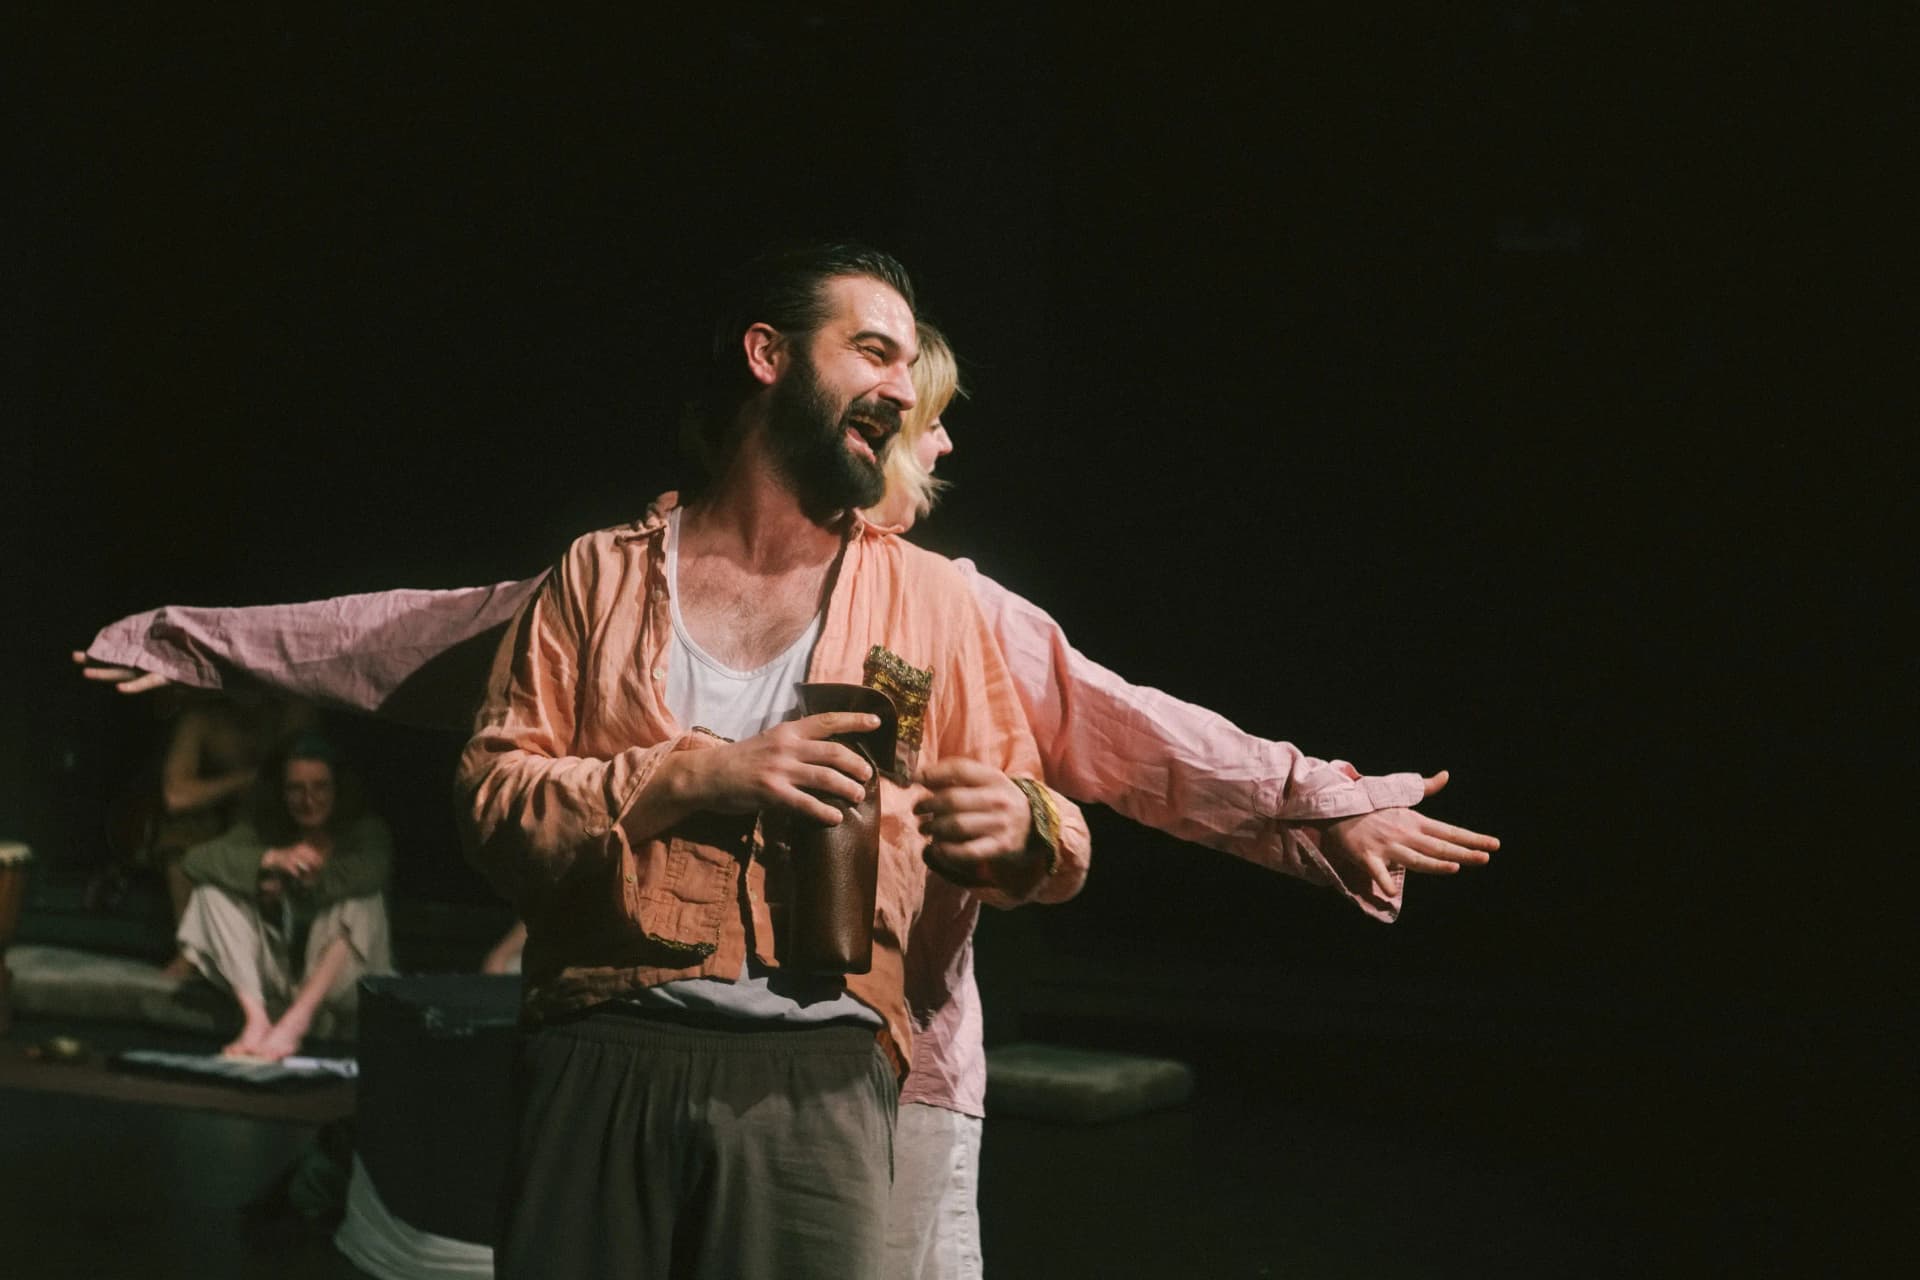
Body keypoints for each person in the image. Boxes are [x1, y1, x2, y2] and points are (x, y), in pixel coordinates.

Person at [76, 320, 1498, 1276]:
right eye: (923, 419)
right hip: (631, 1053)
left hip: (877, 1069)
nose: (938, 450)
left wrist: (1314, 808)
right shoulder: (617, 579)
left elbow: (1123, 739)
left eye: (930, 422)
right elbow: (413, 635)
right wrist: (194, 636)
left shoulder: (950, 607)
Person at [175, 731, 394, 1060]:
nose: (308, 800)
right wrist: (271, 860)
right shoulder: (268, 828)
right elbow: (197, 861)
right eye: (296, 789)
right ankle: (257, 1021)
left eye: (320, 787)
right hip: (279, 972)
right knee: (211, 894)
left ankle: (296, 1023)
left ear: (337, 788)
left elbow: (371, 873)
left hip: (343, 977)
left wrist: (296, 885)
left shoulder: (365, 831)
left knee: (362, 902)